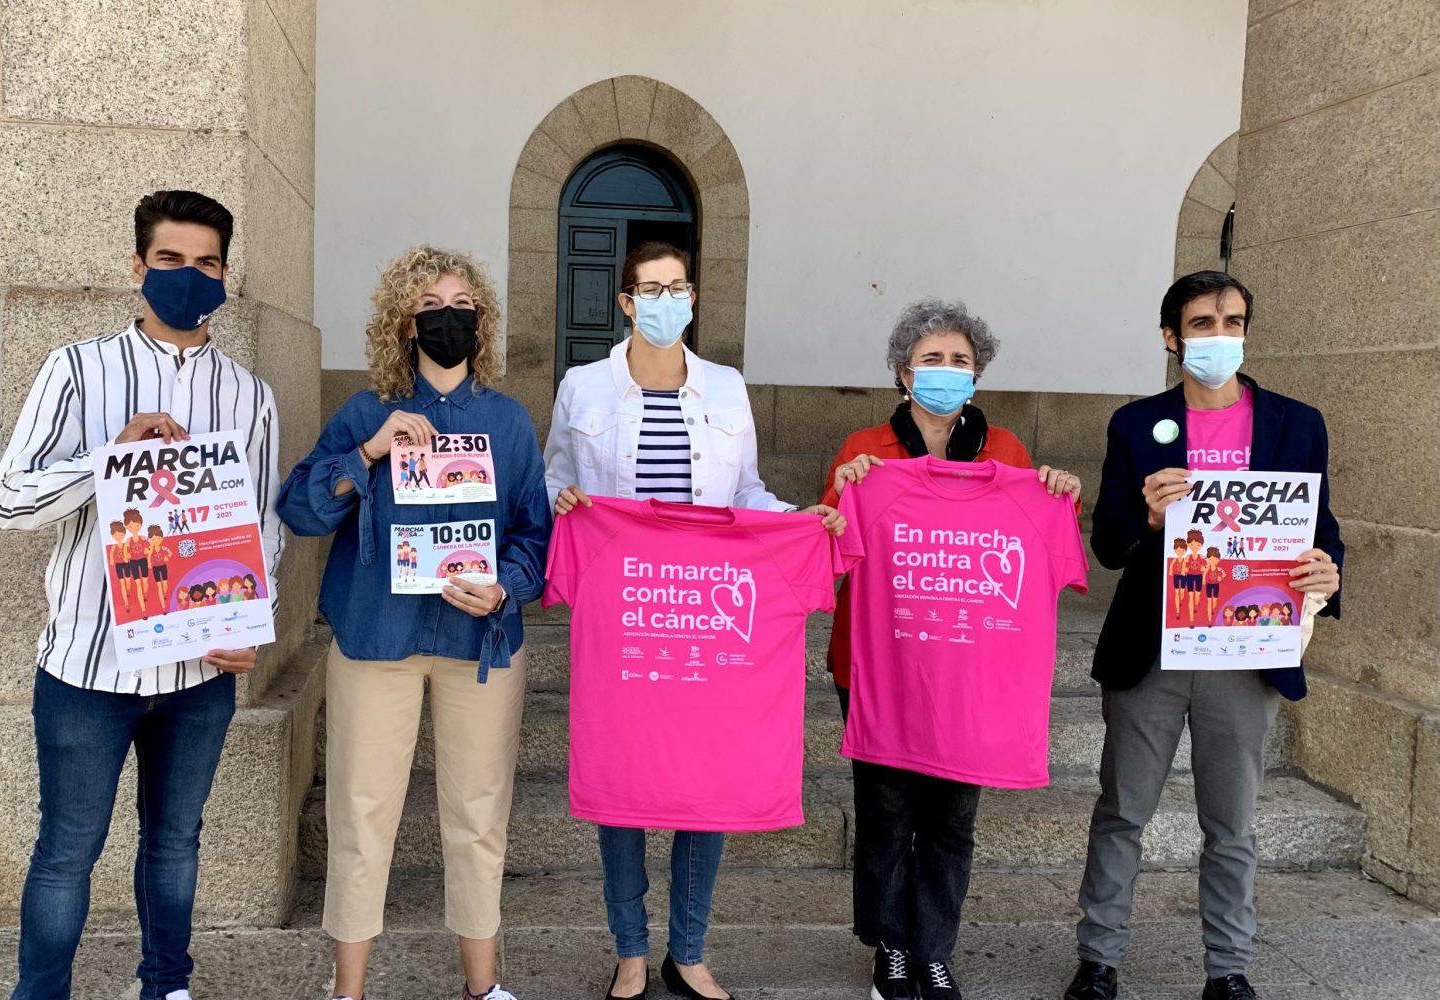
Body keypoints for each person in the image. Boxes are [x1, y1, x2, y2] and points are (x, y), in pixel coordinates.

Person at [0, 190, 282, 1000]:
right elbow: (8, 500)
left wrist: (256, 621)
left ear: (226, 274)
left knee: (177, 841)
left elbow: (260, 526)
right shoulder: (77, 369)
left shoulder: (249, 396)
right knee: (67, 850)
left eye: (206, 262)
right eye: (170, 259)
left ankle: (167, 985)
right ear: (137, 267)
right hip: (91, 668)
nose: (189, 275)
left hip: (199, 675)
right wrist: (105, 462)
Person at [544, 240, 843, 1000]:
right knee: (621, 778)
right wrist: (564, 504)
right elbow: (555, 479)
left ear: (693, 297)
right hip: (627, 611)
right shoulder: (584, 386)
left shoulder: (725, 386)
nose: (665, 300)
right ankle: (630, 950)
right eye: (650, 288)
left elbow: (744, 491)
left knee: (704, 778)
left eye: (677, 287)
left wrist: (799, 521)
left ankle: (691, 947)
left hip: (707, 612)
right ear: (625, 302)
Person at [278, 245, 550, 1000]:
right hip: (377, 637)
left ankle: (481, 986)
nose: (450, 318)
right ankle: (349, 989)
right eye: (434, 305)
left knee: (478, 812)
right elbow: (299, 509)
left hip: (479, 642)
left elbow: (535, 532)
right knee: (362, 814)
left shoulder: (506, 420)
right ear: (405, 321)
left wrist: (507, 588)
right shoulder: (365, 412)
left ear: (482, 321)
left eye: (464, 306)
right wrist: (366, 451)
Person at [1063, 271, 1342, 1000]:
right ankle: (1098, 961)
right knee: (1123, 810)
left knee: (1233, 823)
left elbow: (1322, 530)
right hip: (1153, 647)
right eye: (1203, 323)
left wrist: (1326, 569)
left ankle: (1229, 970)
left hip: (1246, 649)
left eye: (1232, 321)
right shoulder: (1135, 423)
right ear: (1171, 336)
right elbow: (1109, 542)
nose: (1220, 336)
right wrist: (1149, 521)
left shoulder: (1297, 422)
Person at [820, 298, 1081, 1000]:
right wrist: (840, 493)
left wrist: (1058, 494)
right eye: (931, 360)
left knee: (951, 818)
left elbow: (1038, 553)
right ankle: (891, 949)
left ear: (978, 375)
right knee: (886, 812)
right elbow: (830, 550)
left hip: (972, 674)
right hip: (880, 669)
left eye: (959, 361)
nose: (946, 371)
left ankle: (934, 947)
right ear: (904, 374)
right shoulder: (863, 451)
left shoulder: (1010, 457)